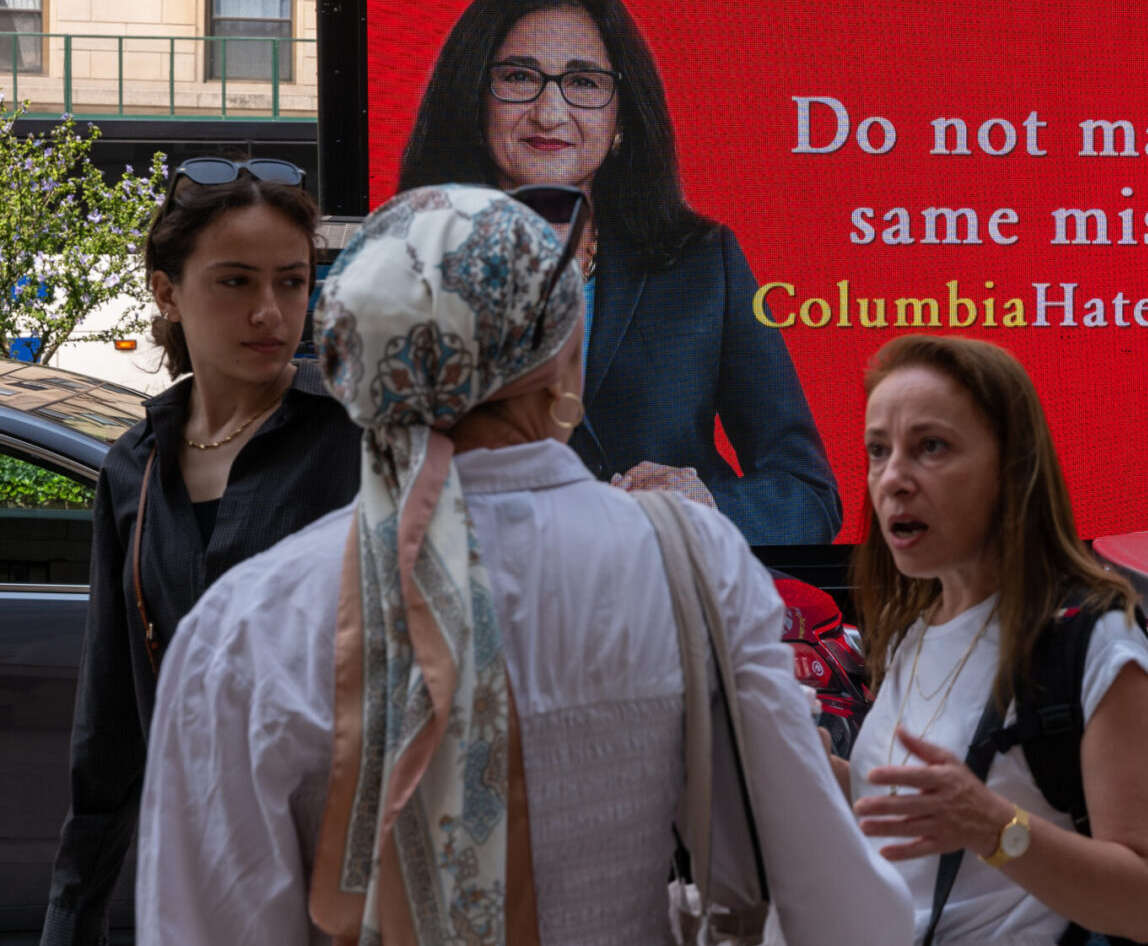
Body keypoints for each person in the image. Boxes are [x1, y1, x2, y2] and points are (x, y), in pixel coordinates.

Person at [131, 185, 911, 945]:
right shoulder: (688, 562)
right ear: (567, 353)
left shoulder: (242, 628)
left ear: (354, 366)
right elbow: (842, 913)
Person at [397, 0, 840, 546]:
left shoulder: (705, 264)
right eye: (518, 77)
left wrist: (704, 507)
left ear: (621, 119)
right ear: (476, 104)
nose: (549, 112)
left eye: (583, 82)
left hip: (670, 617)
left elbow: (809, 496)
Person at [42, 157, 363, 946]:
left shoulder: (362, 439)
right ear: (165, 292)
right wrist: (72, 914)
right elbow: (111, 718)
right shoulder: (134, 466)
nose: (271, 312)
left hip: (347, 877)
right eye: (235, 282)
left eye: (292, 281)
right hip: (199, 874)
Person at [845, 335, 1148, 944]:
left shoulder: (1096, 644)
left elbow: (1144, 901)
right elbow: (912, 808)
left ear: (1011, 466)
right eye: (877, 450)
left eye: (931, 447)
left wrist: (994, 827)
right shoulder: (915, 627)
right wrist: (802, 765)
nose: (892, 478)